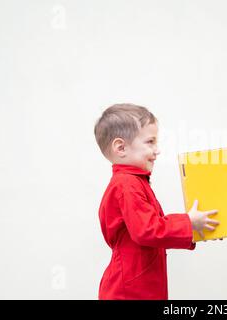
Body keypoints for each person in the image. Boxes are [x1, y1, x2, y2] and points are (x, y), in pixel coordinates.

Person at [94, 103, 219, 299]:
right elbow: (147, 230)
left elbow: (153, 229)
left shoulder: (134, 182)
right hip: (129, 292)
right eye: (150, 142)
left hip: (141, 285)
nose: (157, 150)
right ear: (121, 147)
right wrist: (188, 222)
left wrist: (194, 230)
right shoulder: (126, 184)